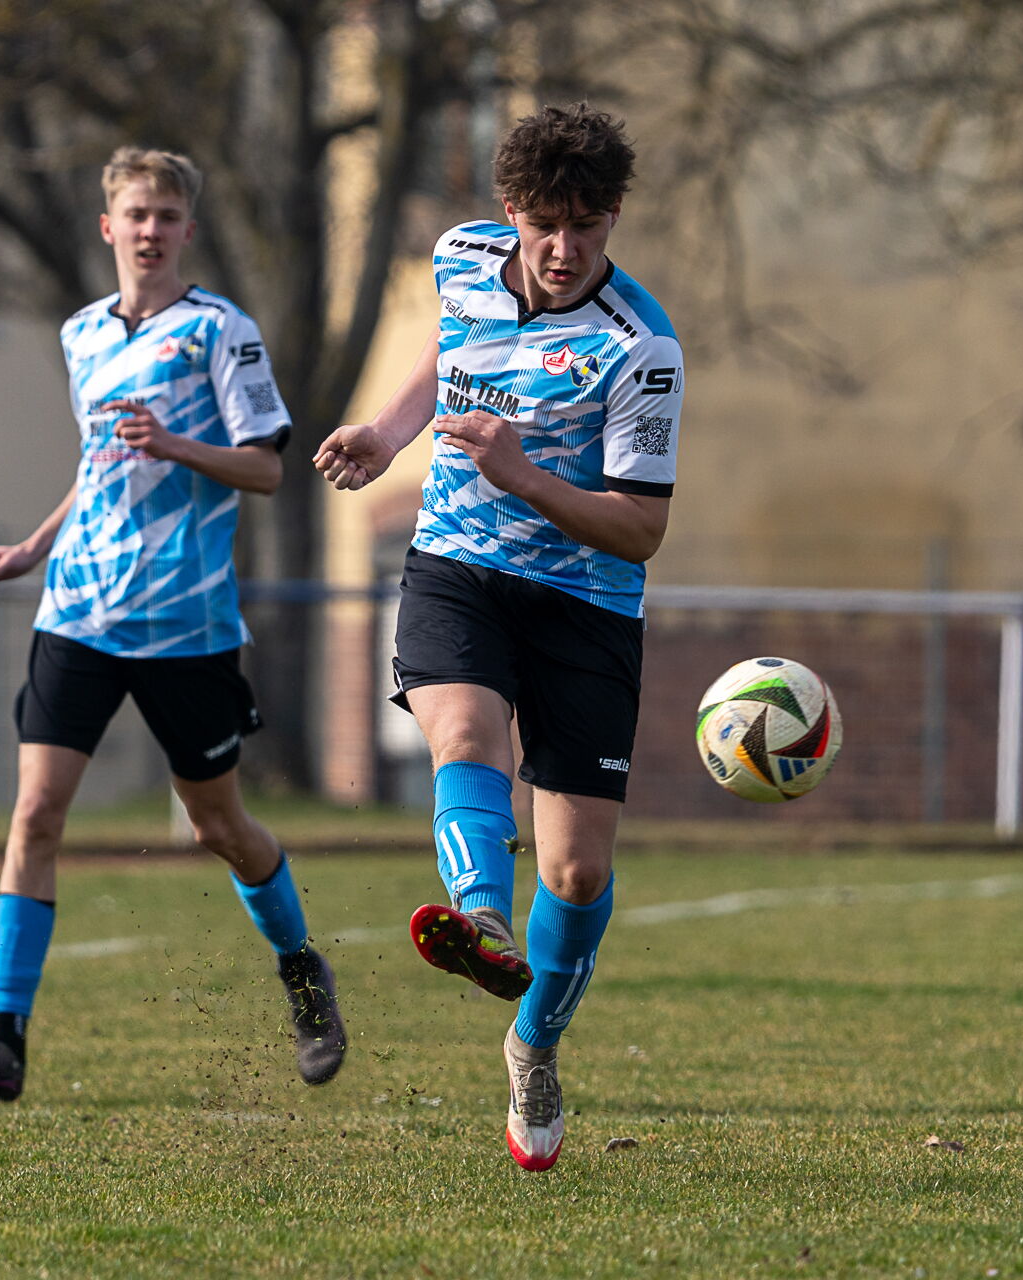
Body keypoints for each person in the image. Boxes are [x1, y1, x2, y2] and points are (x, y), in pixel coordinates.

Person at [0, 147, 345, 1102]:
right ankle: (5, 1042)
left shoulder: (221, 333)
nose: (150, 229)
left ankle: (301, 972)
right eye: (135, 214)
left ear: (187, 229)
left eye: (166, 215)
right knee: (35, 813)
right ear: (107, 227)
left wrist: (177, 443)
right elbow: (99, 467)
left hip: (185, 622)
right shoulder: (80, 334)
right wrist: (32, 549)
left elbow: (266, 469)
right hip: (78, 609)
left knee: (217, 825)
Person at [314, 103, 682, 1172]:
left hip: (584, 603)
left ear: (613, 217)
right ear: (511, 210)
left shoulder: (641, 349)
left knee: (576, 870)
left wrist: (523, 475)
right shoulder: (461, 258)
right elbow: (449, 350)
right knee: (466, 734)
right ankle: (480, 922)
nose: (564, 249)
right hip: (457, 568)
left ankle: (534, 1044)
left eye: (587, 227)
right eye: (545, 225)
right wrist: (388, 434)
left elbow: (642, 527)